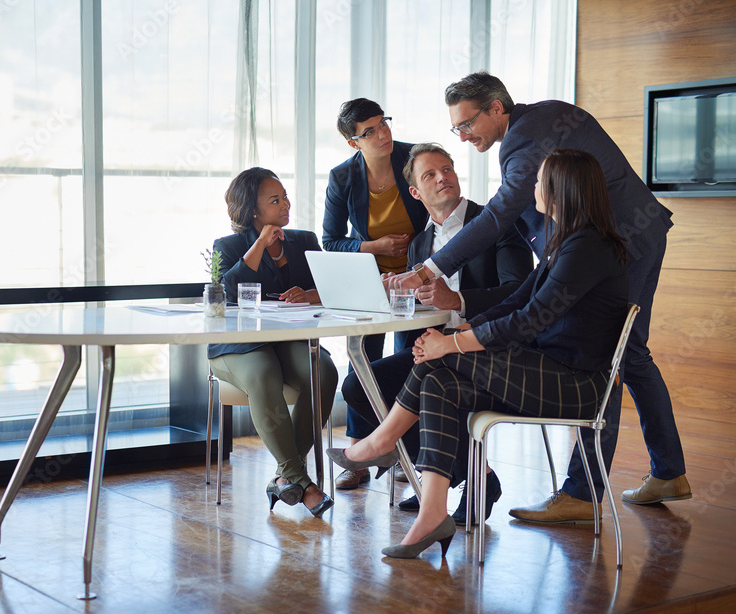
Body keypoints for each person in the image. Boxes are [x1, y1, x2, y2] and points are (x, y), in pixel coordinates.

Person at [390, 72, 691, 522]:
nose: (463, 134)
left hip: (628, 240)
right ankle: (666, 471)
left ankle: (584, 493)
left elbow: (497, 217)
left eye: (466, 123)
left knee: (616, 356)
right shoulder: (533, 125)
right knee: (631, 354)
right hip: (616, 240)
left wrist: (430, 268)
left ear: (496, 109)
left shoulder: (528, 136)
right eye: (456, 128)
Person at [329, 149, 630, 558]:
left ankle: (381, 440)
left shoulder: (587, 248)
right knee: (438, 379)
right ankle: (433, 511)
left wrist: (450, 342)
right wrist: (465, 328)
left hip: (575, 384)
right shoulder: (568, 243)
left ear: (563, 190)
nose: (533, 188)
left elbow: (529, 320)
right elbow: (519, 301)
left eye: (540, 181)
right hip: (550, 371)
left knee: (438, 359)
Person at [338, 142, 532, 520]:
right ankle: (467, 475)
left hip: (489, 347)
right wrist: (399, 295)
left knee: (429, 385)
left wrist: (458, 300)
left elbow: (521, 292)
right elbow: (422, 312)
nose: (443, 177)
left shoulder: (496, 224)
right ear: (415, 192)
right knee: (359, 385)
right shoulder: (420, 244)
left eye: (447, 169)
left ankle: (443, 480)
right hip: (440, 350)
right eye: (430, 174)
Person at [209, 167, 337, 517]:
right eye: (275, 200)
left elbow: (332, 288)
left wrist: (310, 295)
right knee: (263, 372)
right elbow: (227, 292)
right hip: (237, 347)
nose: (286, 204)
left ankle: (284, 478)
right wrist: (260, 244)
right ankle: (300, 480)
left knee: (323, 373)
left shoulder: (305, 241)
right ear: (253, 211)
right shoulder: (229, 246)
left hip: (288, 341)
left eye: (285, 196)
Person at [321, 98, 427, 491]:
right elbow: (330, 241)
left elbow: (440, 212)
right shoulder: (343, 178)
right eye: (370, 131)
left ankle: (406, 453)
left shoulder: (413, 158)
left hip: (418, 279)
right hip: (370, 281)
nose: (383, 134)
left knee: (409, 360)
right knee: (362, 361)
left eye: (384, 124)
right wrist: (375, 246)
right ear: (353, 142)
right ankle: (357, 454)